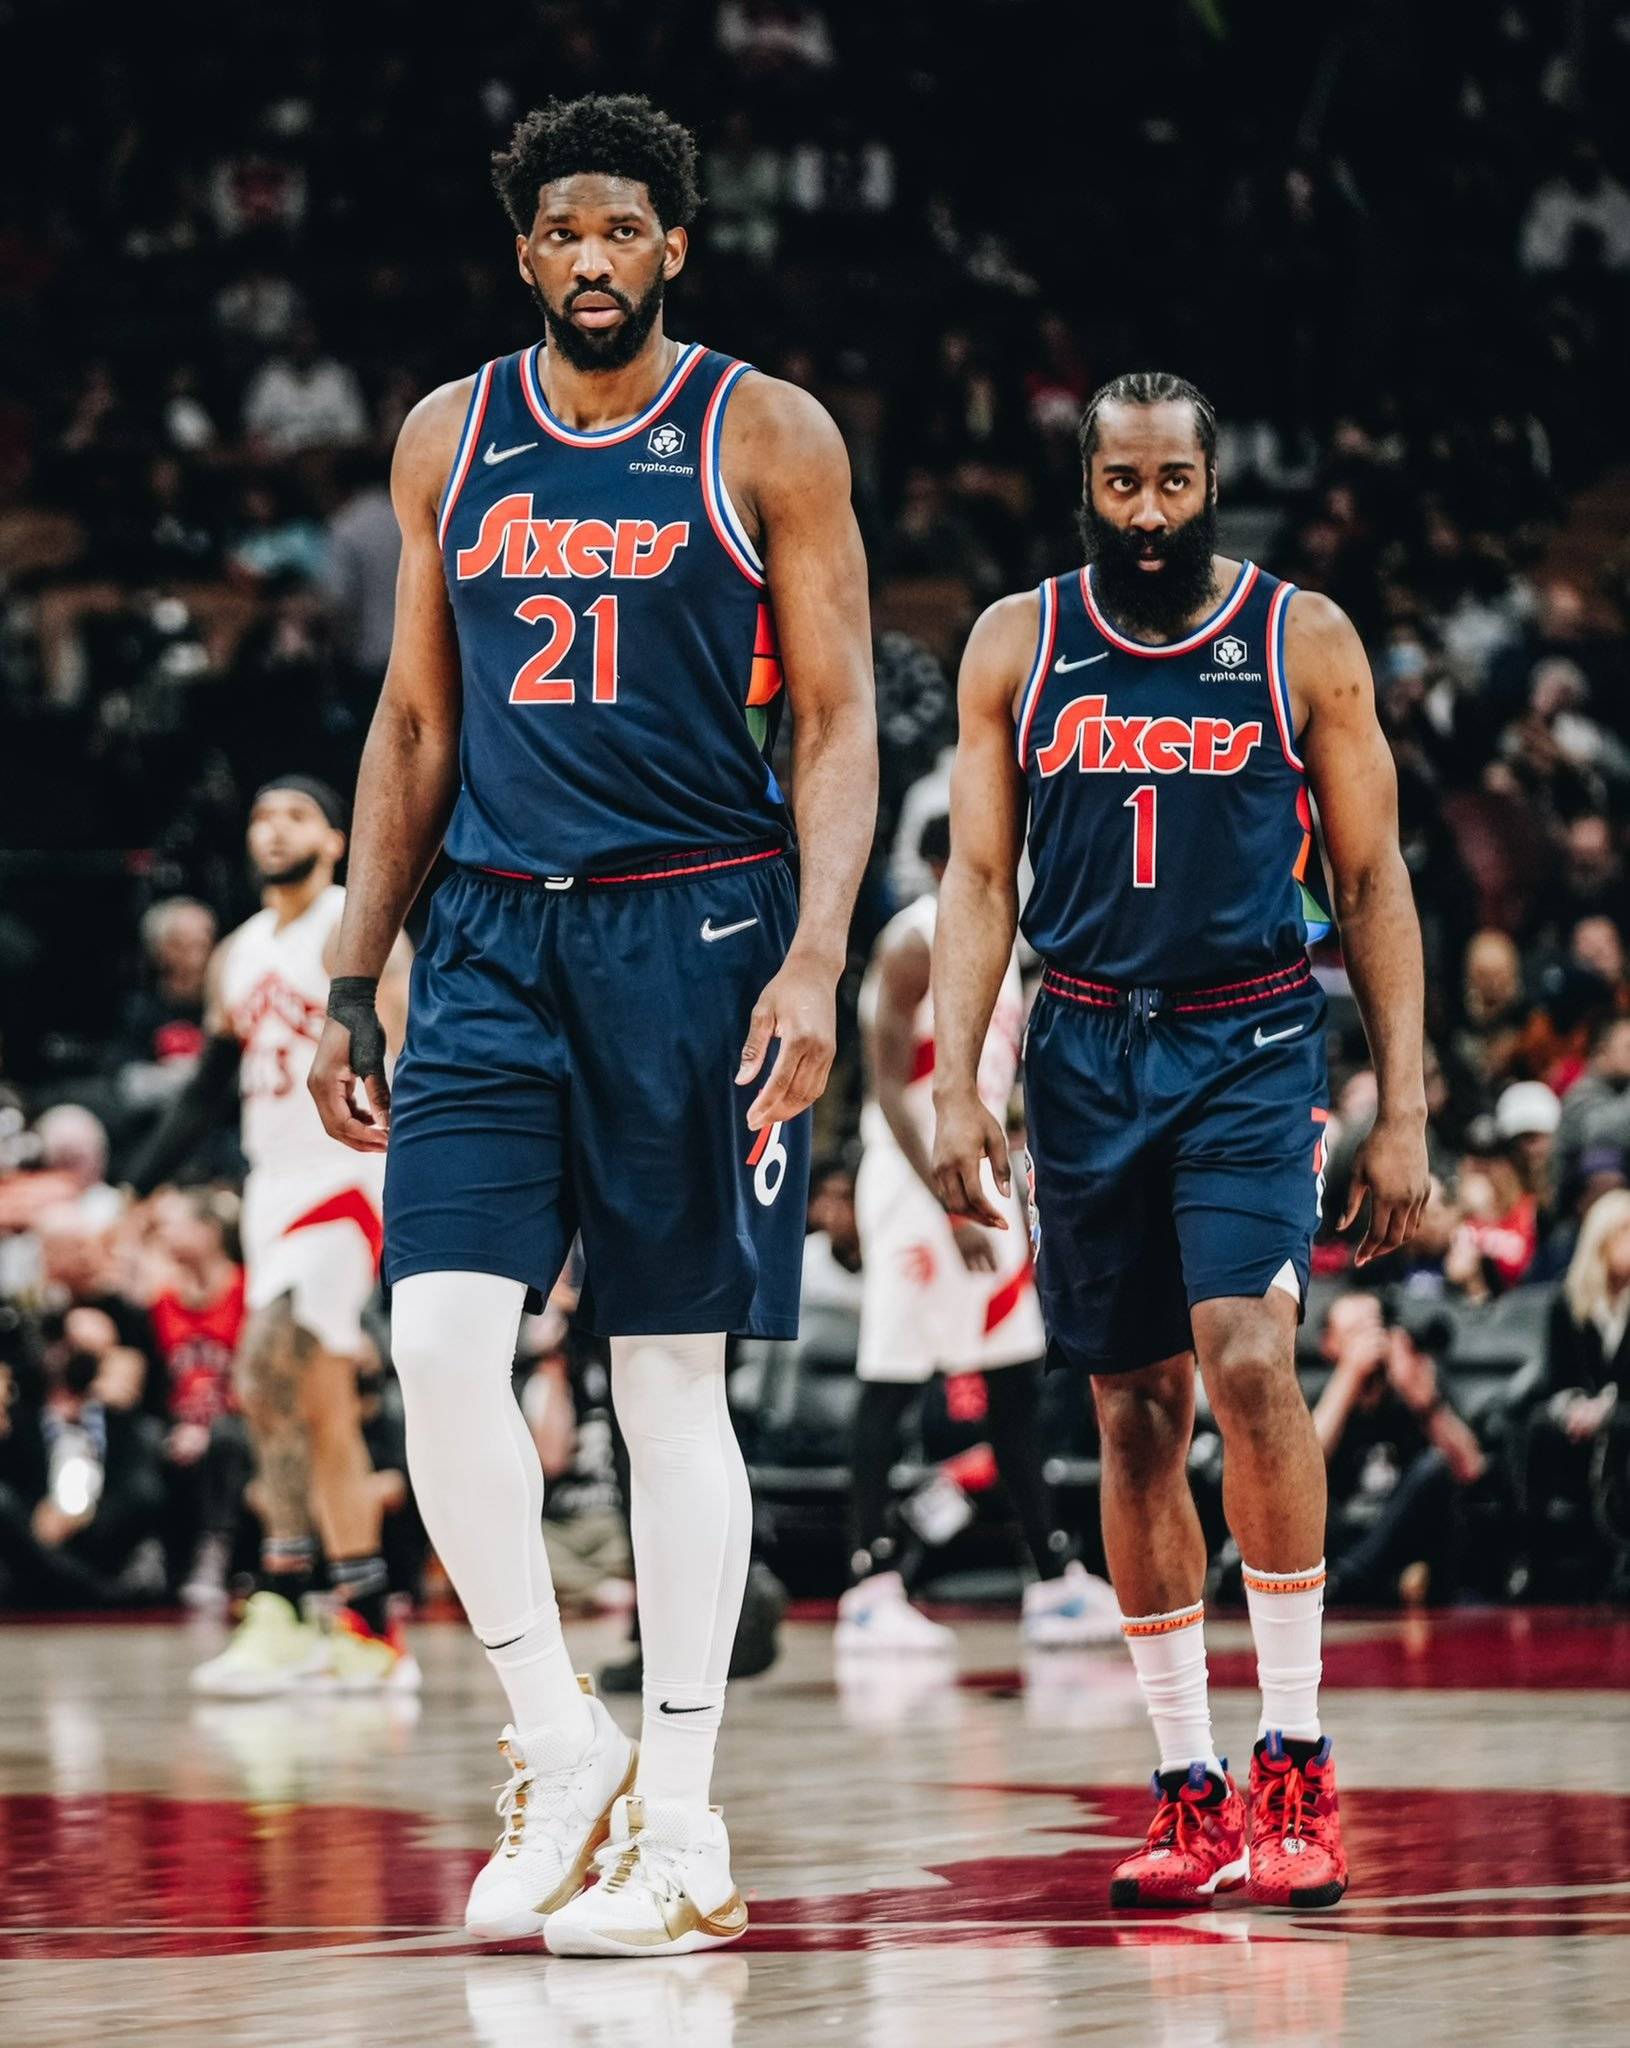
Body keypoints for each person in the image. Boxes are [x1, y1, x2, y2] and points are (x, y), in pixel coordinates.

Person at [306, 95, 875, 1957]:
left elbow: (836, 721)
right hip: (484, 934)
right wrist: (352, 970)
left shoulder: (765, 432)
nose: (593, 259)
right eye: (562, 233)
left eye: (624, 228)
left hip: (695, 933)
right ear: (525, 254)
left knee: (663, 1381)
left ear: (675, 244)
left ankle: (685, 1825)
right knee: (435, 1341)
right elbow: (414, 723)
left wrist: (814, 958)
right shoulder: (449, 434)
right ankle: (562, 1741)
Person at [931, 371, 1429, 1911]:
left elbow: (1372, 880)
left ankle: (1295, 1757)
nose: (1147, 514)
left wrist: (1404, 1106)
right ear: (1084, 486)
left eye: (1172, 484)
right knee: (1132, 1415)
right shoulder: (1016, 641)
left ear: (1213, 484)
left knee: (1249, 1355)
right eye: (1121, 485)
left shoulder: (1301, 639)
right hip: (1080, 1045)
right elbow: (976, 878)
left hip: (1248, 1038)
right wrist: (955, 1082)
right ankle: (1187, 1786)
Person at [127, 777, 414, 1692]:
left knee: (264, 1366)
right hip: (270, 1188)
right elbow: (210, 1085)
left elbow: (405, 1049)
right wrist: (135, 1187)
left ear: (334, 839)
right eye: (261, 816)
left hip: (346, 1177)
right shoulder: (238, 952)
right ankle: (364, 1619)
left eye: (295, 815)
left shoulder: (354, 927)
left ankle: (285, 1595)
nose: (273, 829)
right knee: (316, 1408)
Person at [840, 812, 1117, 1652]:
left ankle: (1052, 1577)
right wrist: (946, 1202)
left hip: (978, 1180)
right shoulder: (914, 942)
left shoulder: (1002, 946)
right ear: (937, 863)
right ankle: (868, 1584)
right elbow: (889, 1092)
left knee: (1015, 1375)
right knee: (893, 1376)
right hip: (914, 1184)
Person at [1313, 1293, 1487, 1605]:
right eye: (1355, 1332)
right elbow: (1302, 1471)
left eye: (1376, 1328)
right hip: (1341, 1538)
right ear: (1329, 1345)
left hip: (1401, 1538)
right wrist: (1349, 1377)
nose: (1372, 1342)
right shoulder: (1319, 1397)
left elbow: (1471, 1469)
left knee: (1434, 1466)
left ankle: (1349, 1581)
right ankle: (1359, 1580)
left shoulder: (1416, 1382)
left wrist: (1425, 1403)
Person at [1509, 1187, 1630, 1593]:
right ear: (1601, 1239)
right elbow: (1558, 1377)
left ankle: (1621, 1559)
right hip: (1580, 1412)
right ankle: (1531, 1552)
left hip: (1623, 1412)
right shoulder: (1568, 1301)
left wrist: (1607, 1409)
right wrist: (1574, 1406)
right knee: (1535, 1426)